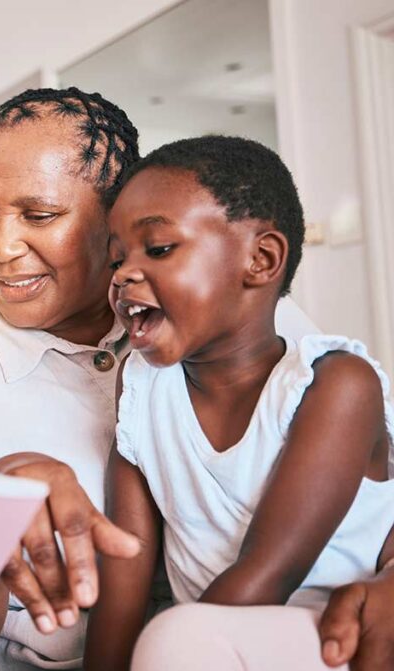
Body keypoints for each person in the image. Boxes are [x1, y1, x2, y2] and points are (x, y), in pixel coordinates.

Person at [0, 88, 387, 671]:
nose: (3, 247)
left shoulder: (249, 323)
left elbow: (373, 488)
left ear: (110, 220)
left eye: (40, 215)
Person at [82, 136, 394, 670]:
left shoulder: (337, 385)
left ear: (261, 259)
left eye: (157, 249)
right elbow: (126, 563)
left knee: (176, 636)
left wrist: (186, 640)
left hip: (333, 640)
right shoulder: (142, 389)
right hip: (213, 645)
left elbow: (271, 573)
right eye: (116, 258)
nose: (123, 274)